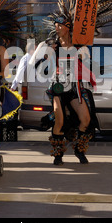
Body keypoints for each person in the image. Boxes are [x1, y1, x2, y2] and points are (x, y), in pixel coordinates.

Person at [39, 16, 97, 166]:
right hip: (57, 87)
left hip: (73, 86)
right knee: (60, 120)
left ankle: (79, 150)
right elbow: (40, 67)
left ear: (68, 27)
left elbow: (88, 65)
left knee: (86, 119)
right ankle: (58, 154)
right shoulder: (53, 46)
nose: (57, 28)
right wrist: (48, 55)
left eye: (60, 25)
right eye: (55, 25)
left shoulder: (79, 46)